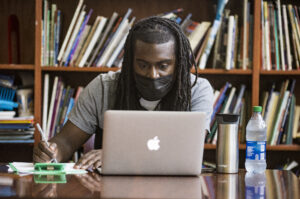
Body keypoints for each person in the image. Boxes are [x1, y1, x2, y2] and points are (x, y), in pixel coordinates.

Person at [33, 16, 213, 169]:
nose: (152, 74)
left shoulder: (196, 90)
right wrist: (52, 151)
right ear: (129, 62)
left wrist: (117, 156)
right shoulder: (103, 88)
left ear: (178, 63)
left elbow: (190, 149)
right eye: (142, 65)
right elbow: (66, 142)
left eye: (163, 66)